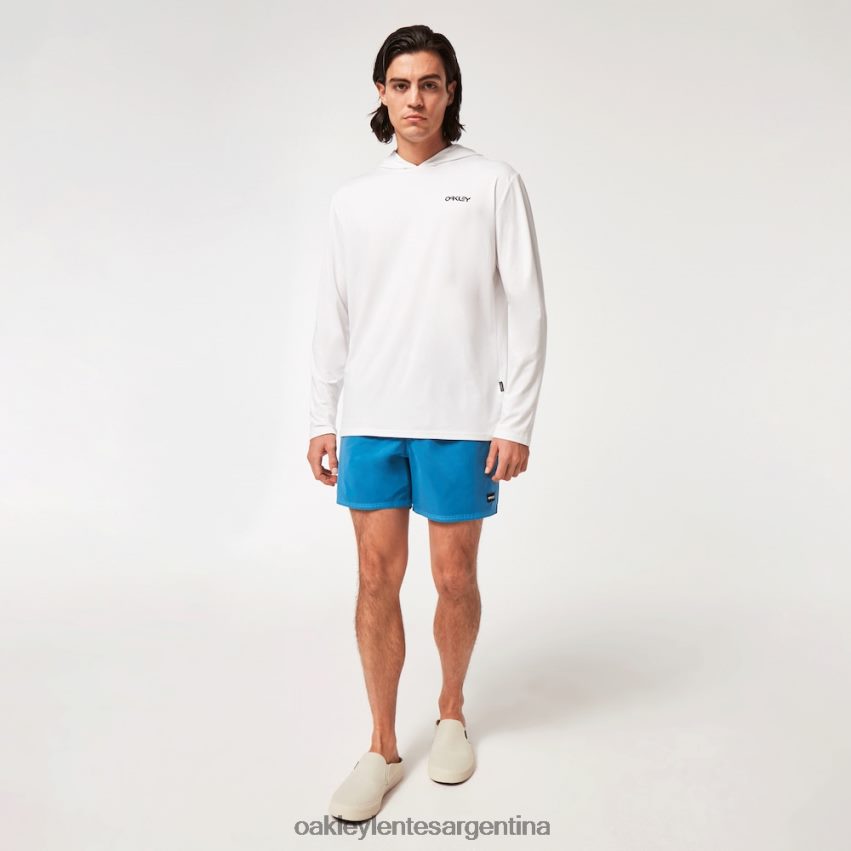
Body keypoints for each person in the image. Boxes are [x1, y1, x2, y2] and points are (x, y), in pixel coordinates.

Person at [306, 24, 547, 822]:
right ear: (381, 92)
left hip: (462, 416)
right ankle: (380, 746)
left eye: (431, 84)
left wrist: (515, 419)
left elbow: (527, 306)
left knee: (453, 578)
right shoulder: (352, 199)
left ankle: (450, 713)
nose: (416, 98)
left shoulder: (491, 183)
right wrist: (322, 414)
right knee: (375, 579)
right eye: (402, 84)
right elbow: (333, 315)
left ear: (450, 92)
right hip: (371, 417)